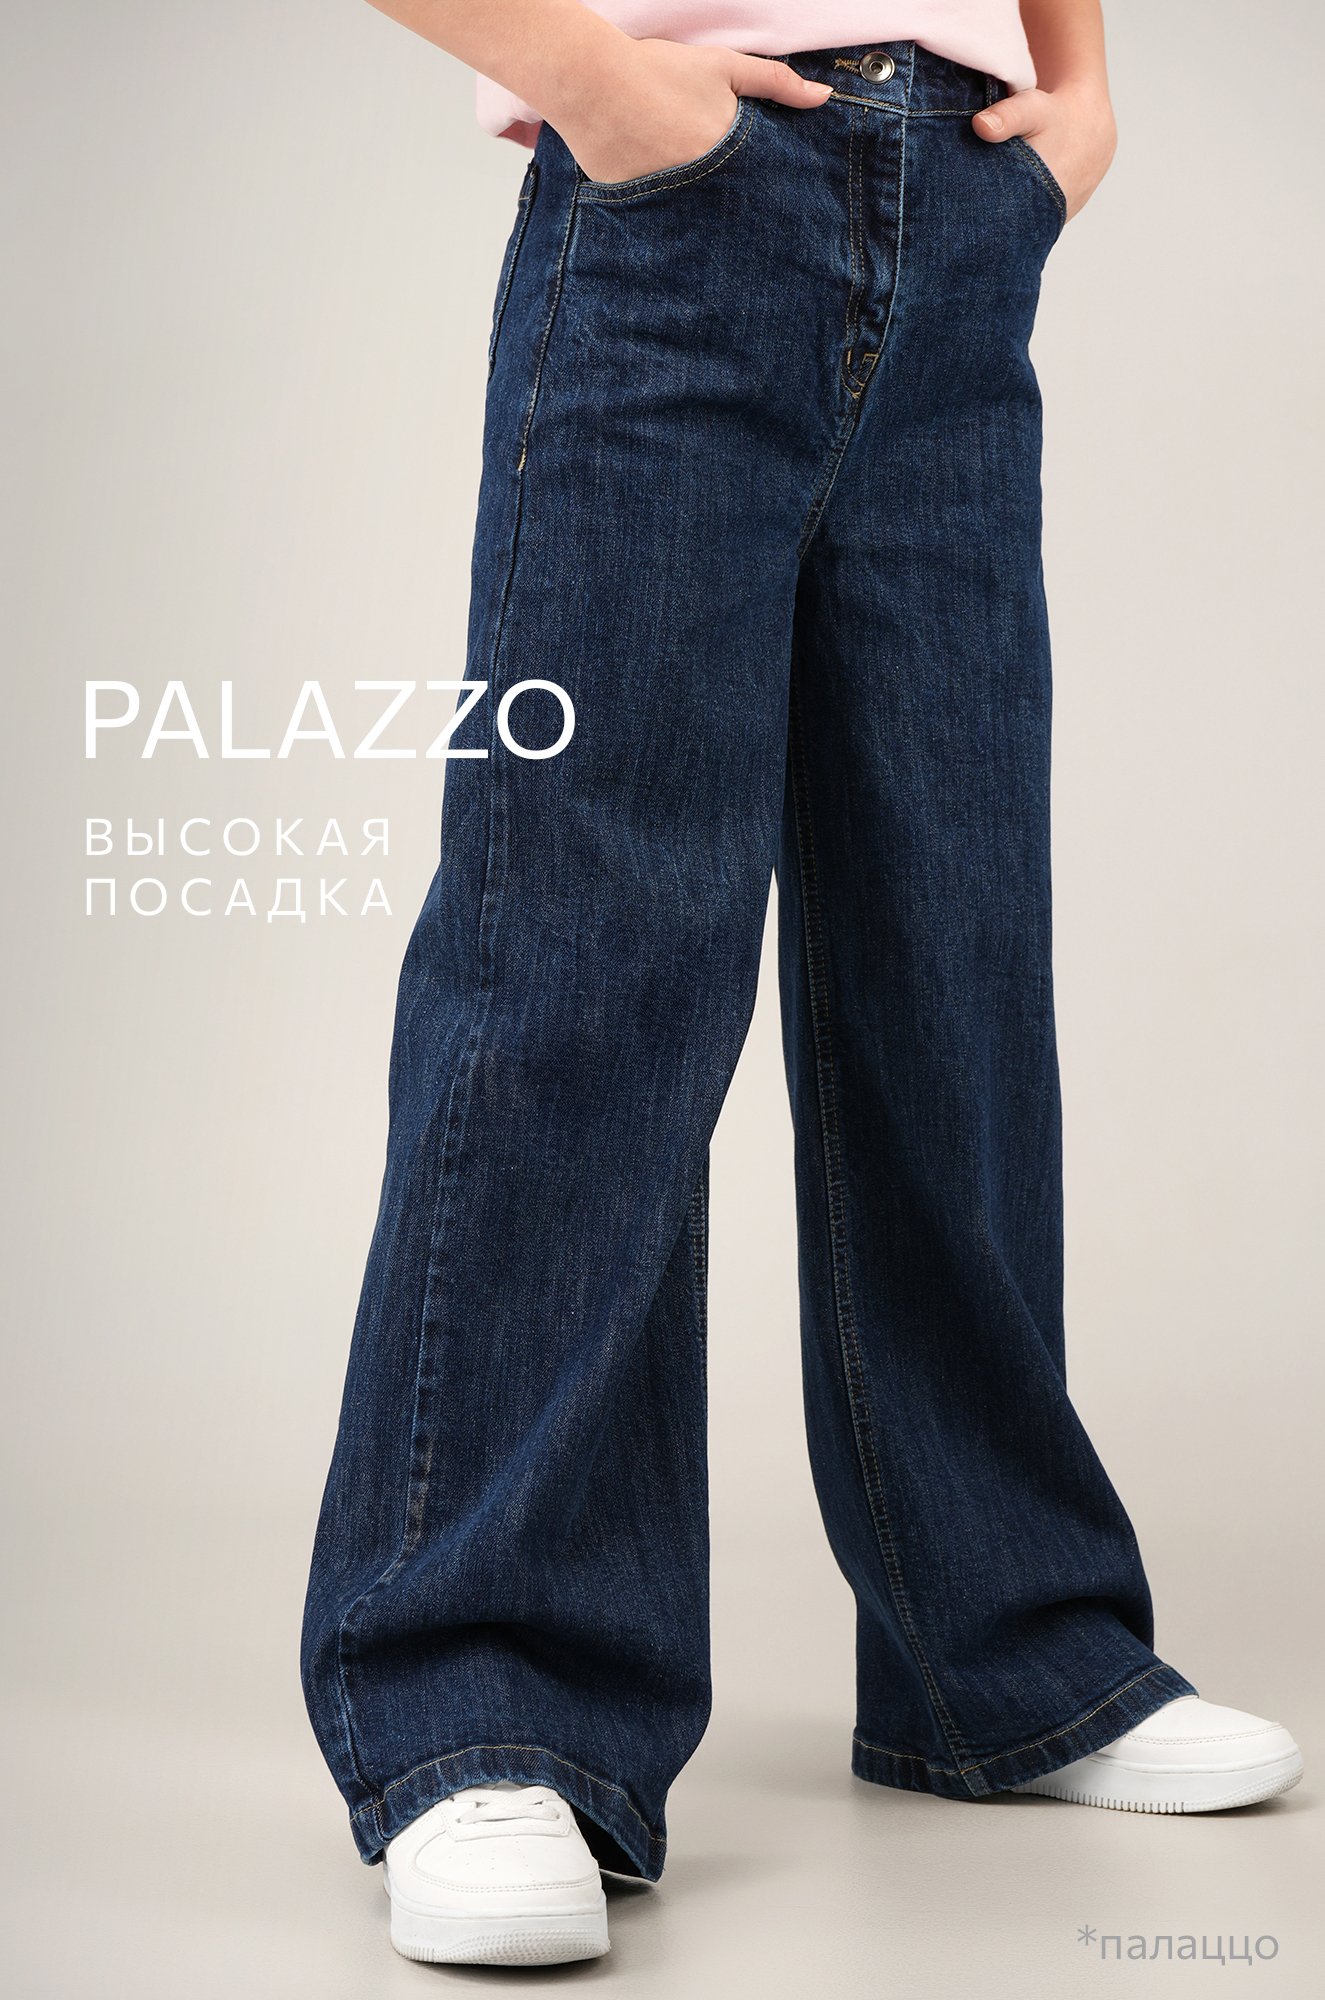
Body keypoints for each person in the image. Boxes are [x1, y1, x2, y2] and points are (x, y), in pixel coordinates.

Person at [300, 0, 1303, 1968]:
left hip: (959, 203)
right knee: (586, 952)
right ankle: (487, 1699)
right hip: (678, 203)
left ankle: (1001, 1649)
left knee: (953, 945)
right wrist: (597, 82)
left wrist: (1080, 94)